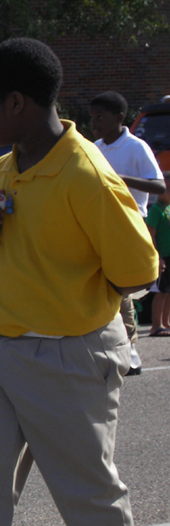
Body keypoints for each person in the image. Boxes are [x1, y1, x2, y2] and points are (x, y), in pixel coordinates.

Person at [0, 39, 157, 526]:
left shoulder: (86, 177)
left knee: (89, 498)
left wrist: (65, 289)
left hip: (68, 355)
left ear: (16, 104)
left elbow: (137, 273)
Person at [90, 91, 166, 374]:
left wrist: (119, 180)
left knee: (119, 287)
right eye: (92, 117)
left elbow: (158, 185)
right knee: (99, 286)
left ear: (119, 118)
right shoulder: (94, 147)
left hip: (130, 225)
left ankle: (130, 351)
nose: (95, 122)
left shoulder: (136, 146)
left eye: (101, 117)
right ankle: (106, 348)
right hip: (98, 225)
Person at [145, 171, 170, 336]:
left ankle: (166, 322)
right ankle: (156, 325)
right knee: (161, 291)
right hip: (163, 255)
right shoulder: (156, 209)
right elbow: (150, 234)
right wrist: (158, 257)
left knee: (168, 291)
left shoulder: (168, 208)